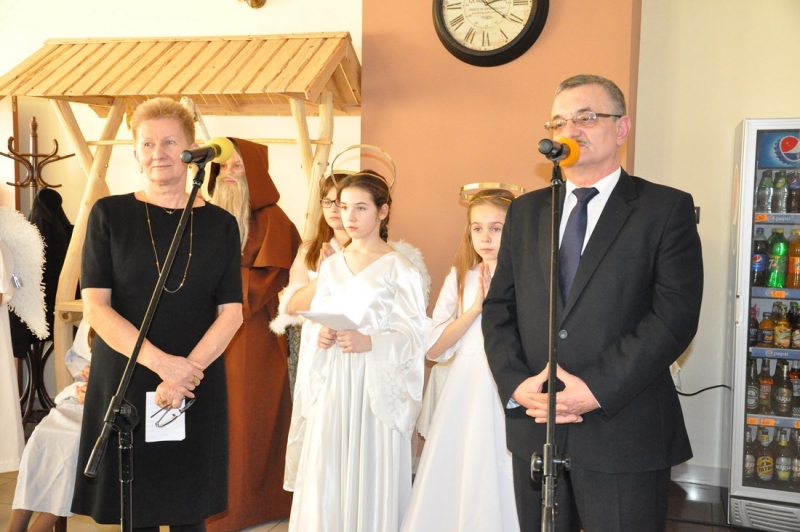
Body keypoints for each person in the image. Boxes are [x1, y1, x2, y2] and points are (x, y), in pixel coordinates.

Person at [482, 74, 703, 532]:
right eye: (559, 121)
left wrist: (595, 390)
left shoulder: (665, 209)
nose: (570, 130)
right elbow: (499, 307)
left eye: (585, 117)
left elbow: (673, 317)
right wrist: (517, 384)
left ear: (621, 128)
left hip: (623, 430)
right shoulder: (526, 212)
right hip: (537, 427)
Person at [71, 97, 243, 531]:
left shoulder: (221, 224)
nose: (158, 153)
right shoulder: (109, 215)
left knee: (189, 507)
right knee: (137, 508)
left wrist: (185, 375)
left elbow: (231, 314)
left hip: (195, 379)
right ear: (135, 153)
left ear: (191, 150)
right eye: (147, 143)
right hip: (129, 375)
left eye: (169, 142)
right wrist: (165, 366)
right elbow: (96, 307)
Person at [288, 172, 428, 532]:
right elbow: (318, 313)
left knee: (368, 461)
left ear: (383, 211)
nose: (348, 216)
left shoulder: (401, 269)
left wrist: (371, 341)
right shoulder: (332, 265)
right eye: (344, 206)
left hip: (373, 385)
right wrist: (321, 334)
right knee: (329, 461)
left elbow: (415, 334)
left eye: (361, 208)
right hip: (335, 380)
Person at [402, 188, 520, 532]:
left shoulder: (528, 278)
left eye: (496, 228)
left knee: (500, 464)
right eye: (477, 228)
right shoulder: (461, 277)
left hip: (508, 387)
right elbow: (434, 349)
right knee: (461, 464)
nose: (486, 237)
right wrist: (475, 309)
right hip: (465, 388)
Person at [204, 138, 301, 531]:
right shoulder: (202, 214)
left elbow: (269, 277)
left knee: (247, 419)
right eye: (223, 168)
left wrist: (216, 290)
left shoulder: (274, 220)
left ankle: (246, 507)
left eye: (238, 167)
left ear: (255, 174)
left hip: (251, 337)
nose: (228, 175)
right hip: (202, 333)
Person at [269, 173, 350, 492]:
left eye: (341, 202)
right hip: (316, 346)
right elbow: (291, 306)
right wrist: (328, 274)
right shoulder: (310, 249)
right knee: (316, 422)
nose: (334, 209)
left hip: (353, 345)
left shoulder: (373, 251)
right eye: (327, 201)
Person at [7, 320, 92, 532]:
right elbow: (78, 358)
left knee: (72, 444)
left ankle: (40, 529)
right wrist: (86, 376)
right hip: (85, 397)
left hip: (121, 402)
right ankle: (14, 528)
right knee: (43, 435)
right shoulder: (96, 310)